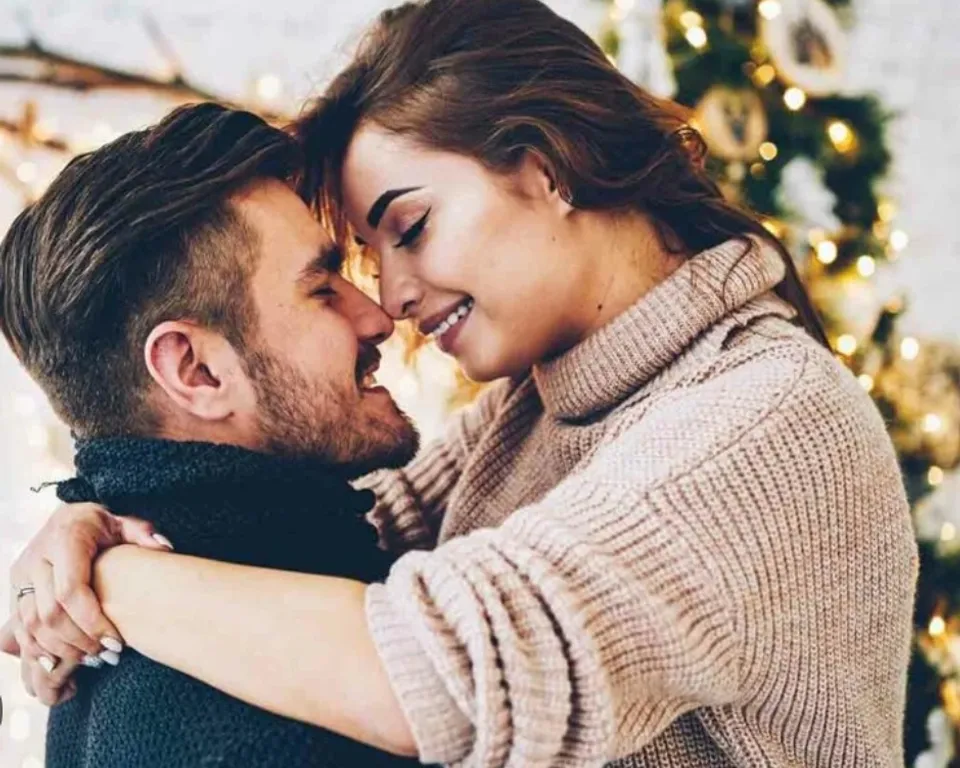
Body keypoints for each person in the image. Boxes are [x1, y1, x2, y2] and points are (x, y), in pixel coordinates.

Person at [5, 0, 918, 765]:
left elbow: (453, 671)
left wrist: (117, 583)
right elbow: (328, 540)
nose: (391, 300)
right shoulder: (535, 408)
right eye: (359, 260)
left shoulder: (768, 419)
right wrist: (88, 515)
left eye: (410, 229)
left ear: (546, 165)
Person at [0, 102, 423, 767]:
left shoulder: (131, 610)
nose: (376, 317)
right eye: (321, 289)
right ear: (196, 370)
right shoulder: (266, 728)